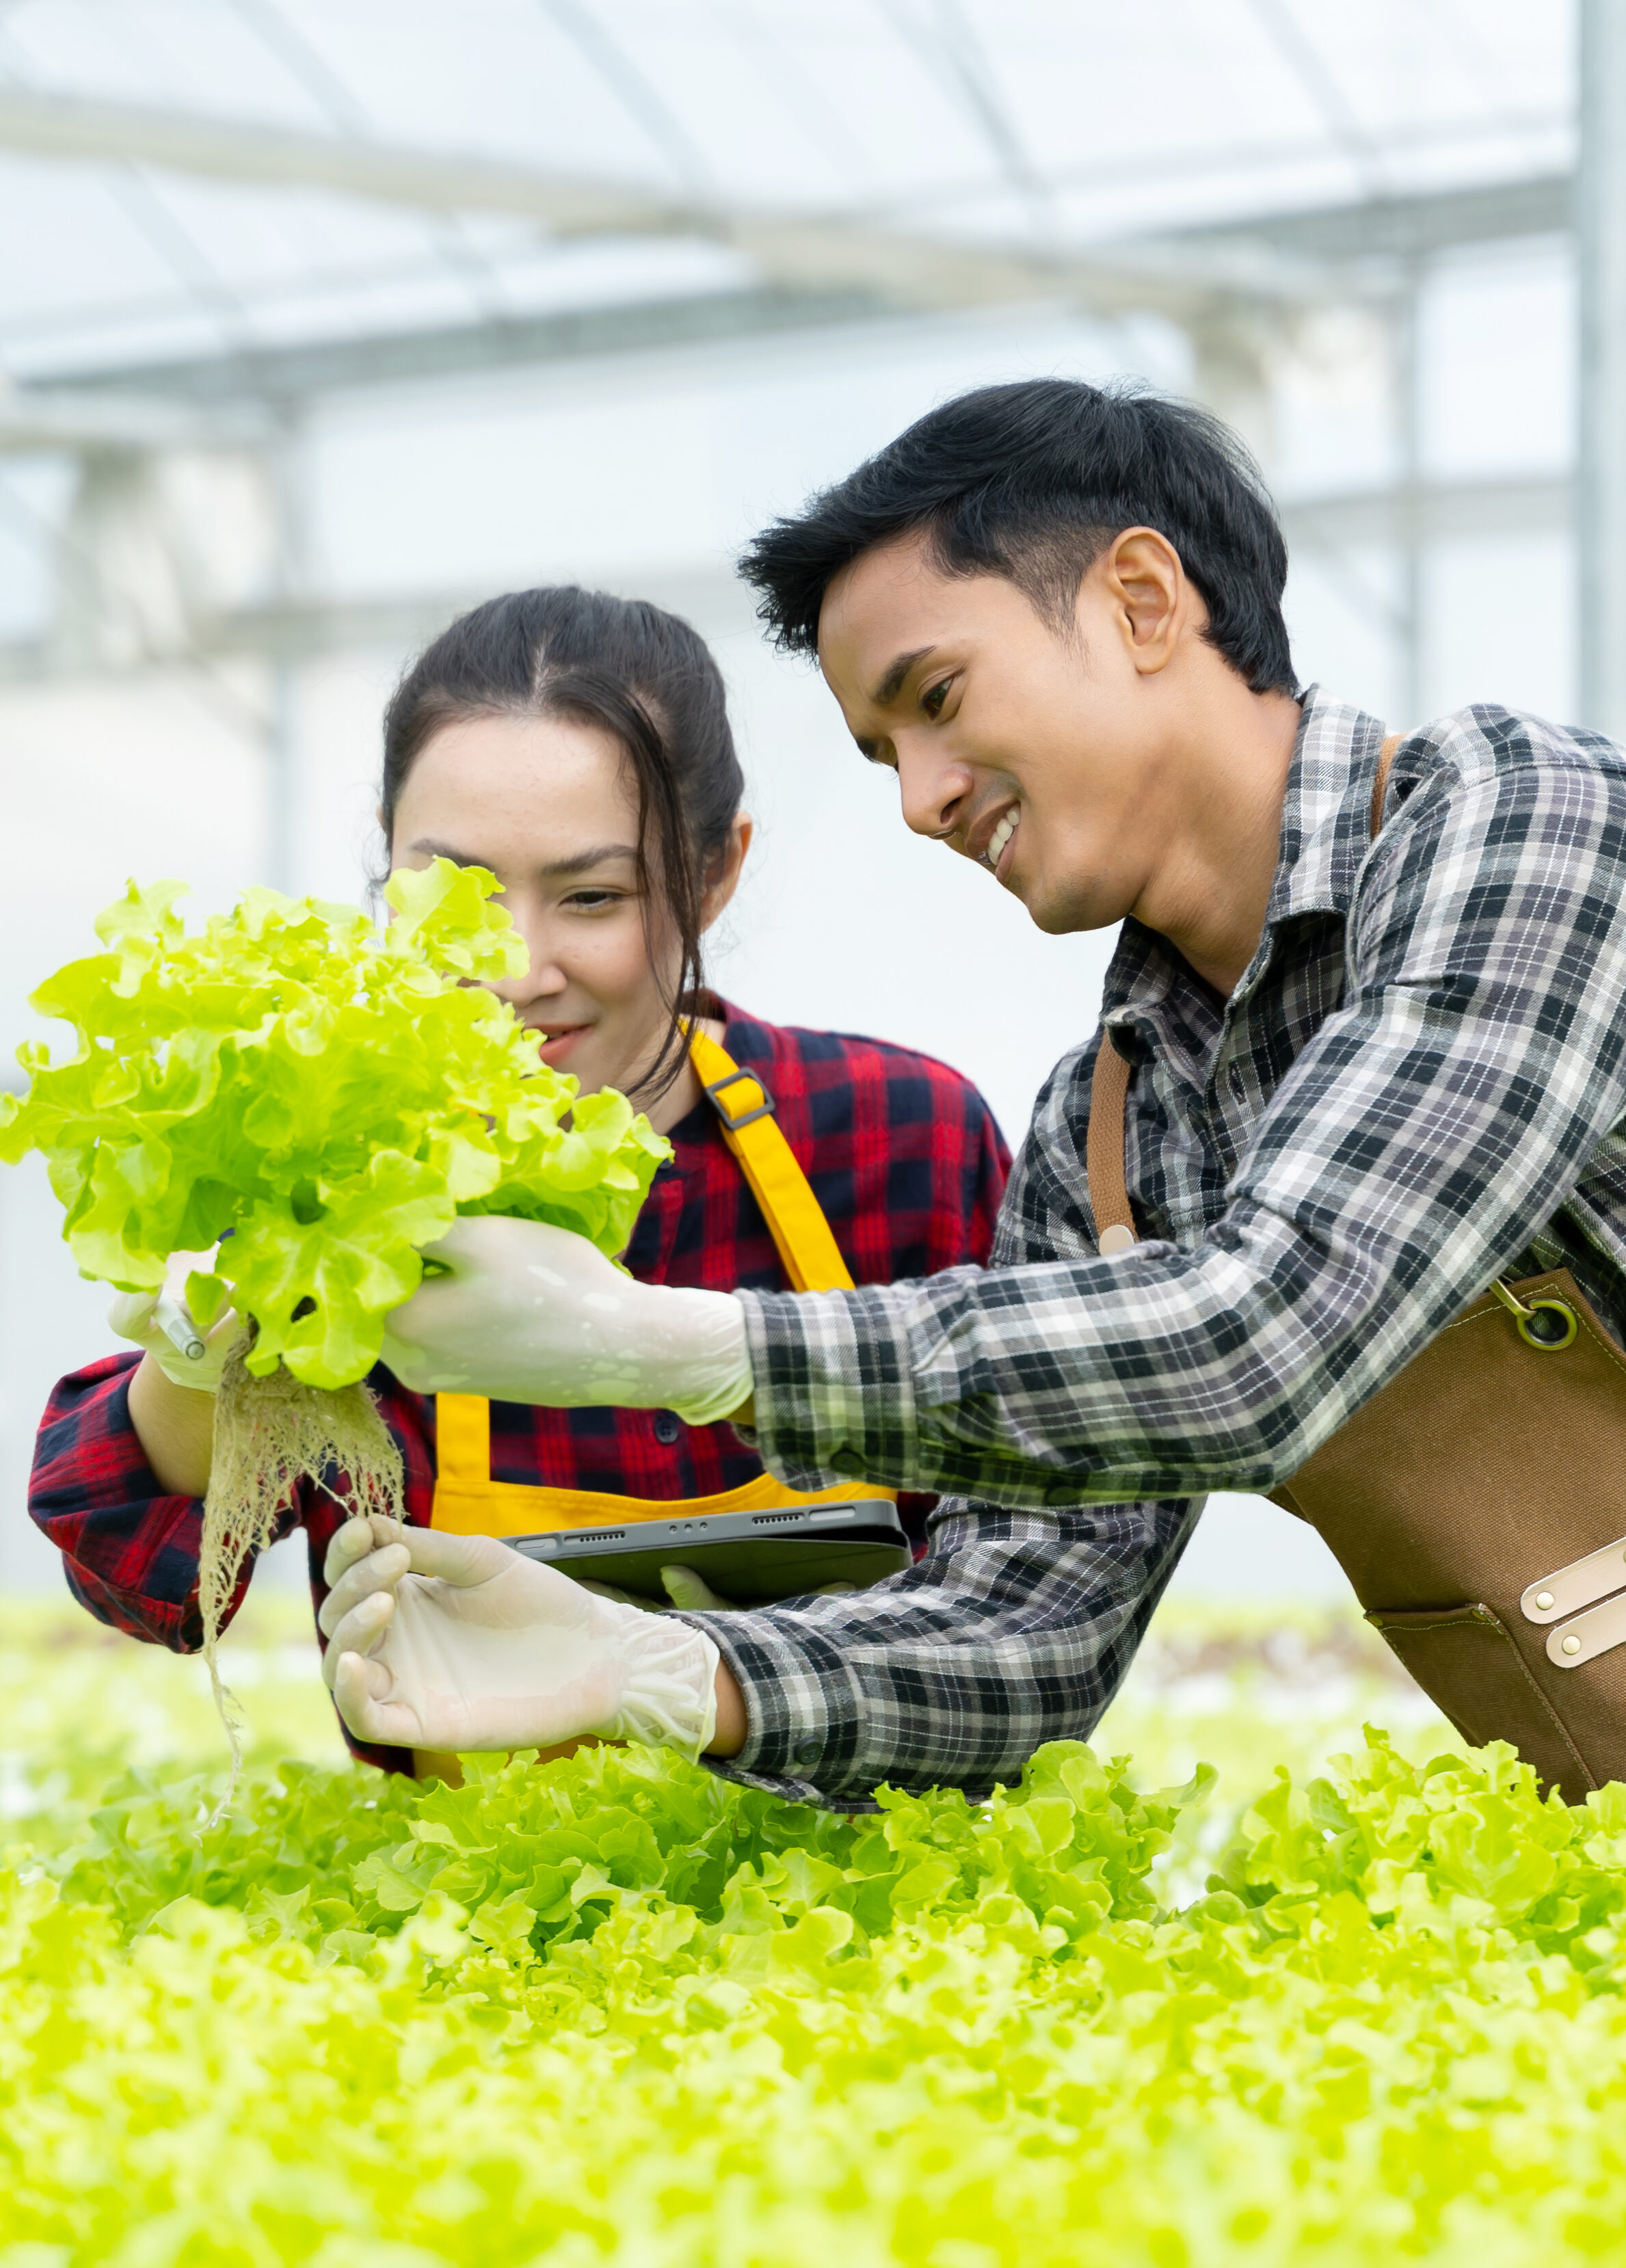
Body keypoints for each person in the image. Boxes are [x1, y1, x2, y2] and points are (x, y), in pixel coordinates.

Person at [321, 377, 1626, 1808]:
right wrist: (667, 1670)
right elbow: (1027, 1630)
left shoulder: (1521, 828)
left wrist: (671, 1344)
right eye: (882, 753)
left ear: (1140, 598)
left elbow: (1275, 1324)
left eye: (934, 699)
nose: (919, 800)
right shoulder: (1112, 1139)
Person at [30, 585, 1011, 1783]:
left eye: (592, 896)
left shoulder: (892, 1136)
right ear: (385, 869)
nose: (518, 968)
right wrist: (203, 1358)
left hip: (861, 1899)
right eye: (456, 897)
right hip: (475, 1926)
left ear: (713, 874)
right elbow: (146, 1587)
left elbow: (1030, 1589)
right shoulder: (342, 1176)